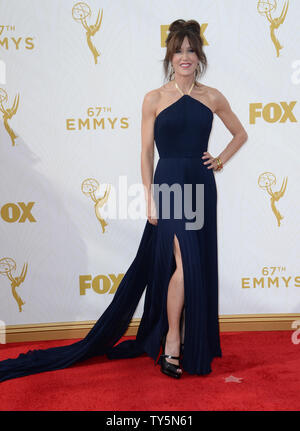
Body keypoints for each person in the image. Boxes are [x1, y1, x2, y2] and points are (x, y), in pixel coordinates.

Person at [0, 19, 248, 383]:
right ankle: (174, 342)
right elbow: (146, 153)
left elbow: (240, 133)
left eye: (190, 50)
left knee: (192, 264)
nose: (184, 57)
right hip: (168, 186)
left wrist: (220, 159)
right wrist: (148, 198)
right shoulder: (154, 98)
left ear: (199, 56)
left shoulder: (212, 97)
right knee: (184, 259)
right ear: (170, 55)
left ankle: (176, 339)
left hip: (200, 187)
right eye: (178, 50)